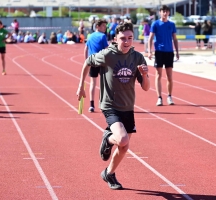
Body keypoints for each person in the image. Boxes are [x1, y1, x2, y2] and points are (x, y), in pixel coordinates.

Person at [76, 22, 150, 190]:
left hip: (127, 105)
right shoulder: (108, 54)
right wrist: (81, 86)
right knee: (122, 139)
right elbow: (88, 62)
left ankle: (109, 173)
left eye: (130, 38)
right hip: (110, 104)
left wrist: (145, 75)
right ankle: (108, 138)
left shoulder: (137, 57)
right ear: (115, 38)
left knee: (124, 147)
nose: (126, 42)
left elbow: (146, 87)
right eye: (123, 38)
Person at [148, 5, 179, 106]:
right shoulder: (155, 24)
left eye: (166, 11)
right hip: (159, 52)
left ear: (169, 13)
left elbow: (174, 39)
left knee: (169, 75)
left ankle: (169, 96)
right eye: (163, 11)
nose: (165, 13)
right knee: (158, 75)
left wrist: (177, 51)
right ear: (160, 13)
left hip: (169, 52)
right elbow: (150, 38)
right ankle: (159, 97)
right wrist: (149, 51)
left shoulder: (172, 25)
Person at [84, 19, 109, 113]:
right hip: (101, 61)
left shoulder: (90, 36)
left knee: (93, 83)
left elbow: (85, 48)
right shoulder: (103, 36)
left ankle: (91, 105)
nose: (105, 28)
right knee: (104, 84)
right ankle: (103, 104)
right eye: (103, 26)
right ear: (97, 26)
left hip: (92, 61)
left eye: (105, 26)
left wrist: (86, 60)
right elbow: (107, 50)